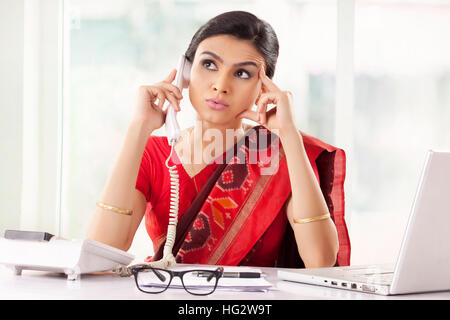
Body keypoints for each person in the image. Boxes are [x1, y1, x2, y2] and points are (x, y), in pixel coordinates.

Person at [86, 11, 350, 268]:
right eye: (209, 64)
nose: (221, 85)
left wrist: (289, 134)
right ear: (185, 72)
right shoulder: (155, 154)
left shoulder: (279, 154)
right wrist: (138, 128)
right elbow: (100, 254)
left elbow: (320, 260)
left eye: (242, 73)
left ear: (264, 87)